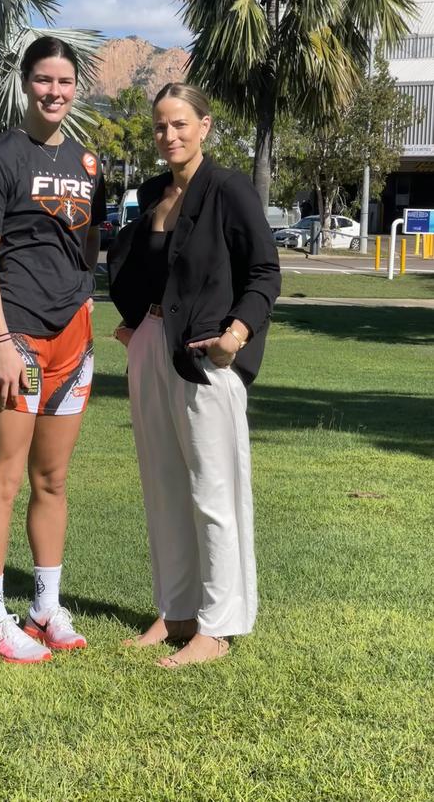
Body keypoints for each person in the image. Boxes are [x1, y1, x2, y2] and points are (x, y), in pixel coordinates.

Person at [108, 82, 281, 668]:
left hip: (208, 353)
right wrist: (136, 324)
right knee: (163, 486)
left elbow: (264, 272)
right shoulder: (153, 191)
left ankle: (219, 623)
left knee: (214, 490)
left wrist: (236, 336)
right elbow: (141, 268)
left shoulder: (228, 190)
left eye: (181, 124)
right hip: (154, 346)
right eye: (160, 125)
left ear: (204, 126)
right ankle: (176, 611)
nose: (169, 135)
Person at [0, 36, 105, 663]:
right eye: (44, 80)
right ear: (26, 83)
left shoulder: (88, 162)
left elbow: (89, 241)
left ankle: (45, 607)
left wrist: (87, 296)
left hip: (73, 338)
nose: (55, 92)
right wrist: (0, 343)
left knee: (53, 479)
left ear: (76, 89)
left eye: (65, 82)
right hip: (14, 338)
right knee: (5, 478)